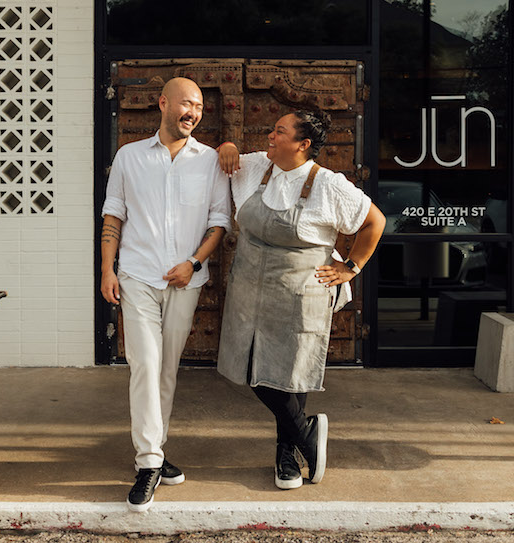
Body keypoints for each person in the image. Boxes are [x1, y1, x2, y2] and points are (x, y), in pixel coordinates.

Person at [216, 110, 385, 490]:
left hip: (298, 291)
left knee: (291, 371)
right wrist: (226, 147)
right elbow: (224, 159)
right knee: (254, 372)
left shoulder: (328, 185)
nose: (269, 136)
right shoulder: (256, 166)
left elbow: (375, 222)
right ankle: (306, 431)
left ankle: (286, 451)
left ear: (303, 144)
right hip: (249, 288)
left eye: (279, 131)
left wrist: (351, 267)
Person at [100, 77, 231, 512]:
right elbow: (113, 215)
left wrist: (193, 263)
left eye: (198, 106)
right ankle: (149, 462)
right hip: (136, 276)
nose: (192, 111)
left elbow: (219, 221)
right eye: (184, 103)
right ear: (163, 104)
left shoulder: (211, 160)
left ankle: (154, 446)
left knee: (167, 370)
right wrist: (106, 269)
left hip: (185, 281)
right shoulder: (129, 157)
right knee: (145, 364)